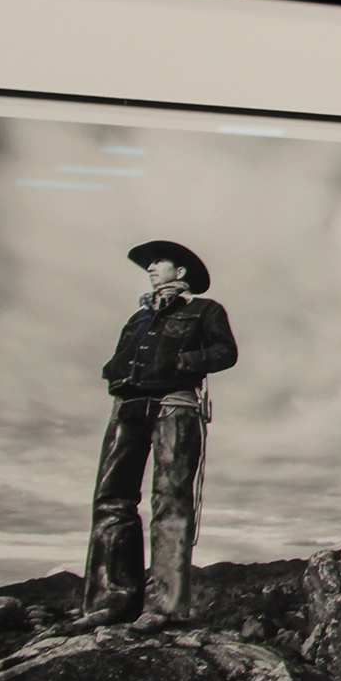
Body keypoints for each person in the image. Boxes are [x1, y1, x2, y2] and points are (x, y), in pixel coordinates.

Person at [73, 239, 238, 633]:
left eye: (158, 262)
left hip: (175, 406)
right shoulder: (137, 317)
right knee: (112, 498)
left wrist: (182, 361)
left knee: (171, 499)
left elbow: (226, 352)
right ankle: (112, 601)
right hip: (127, 408)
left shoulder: (205, 309)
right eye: (149, 264)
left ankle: (165, 608)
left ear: (180, 272)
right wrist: (112, 370)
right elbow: (120, 356)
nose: (150, 268)